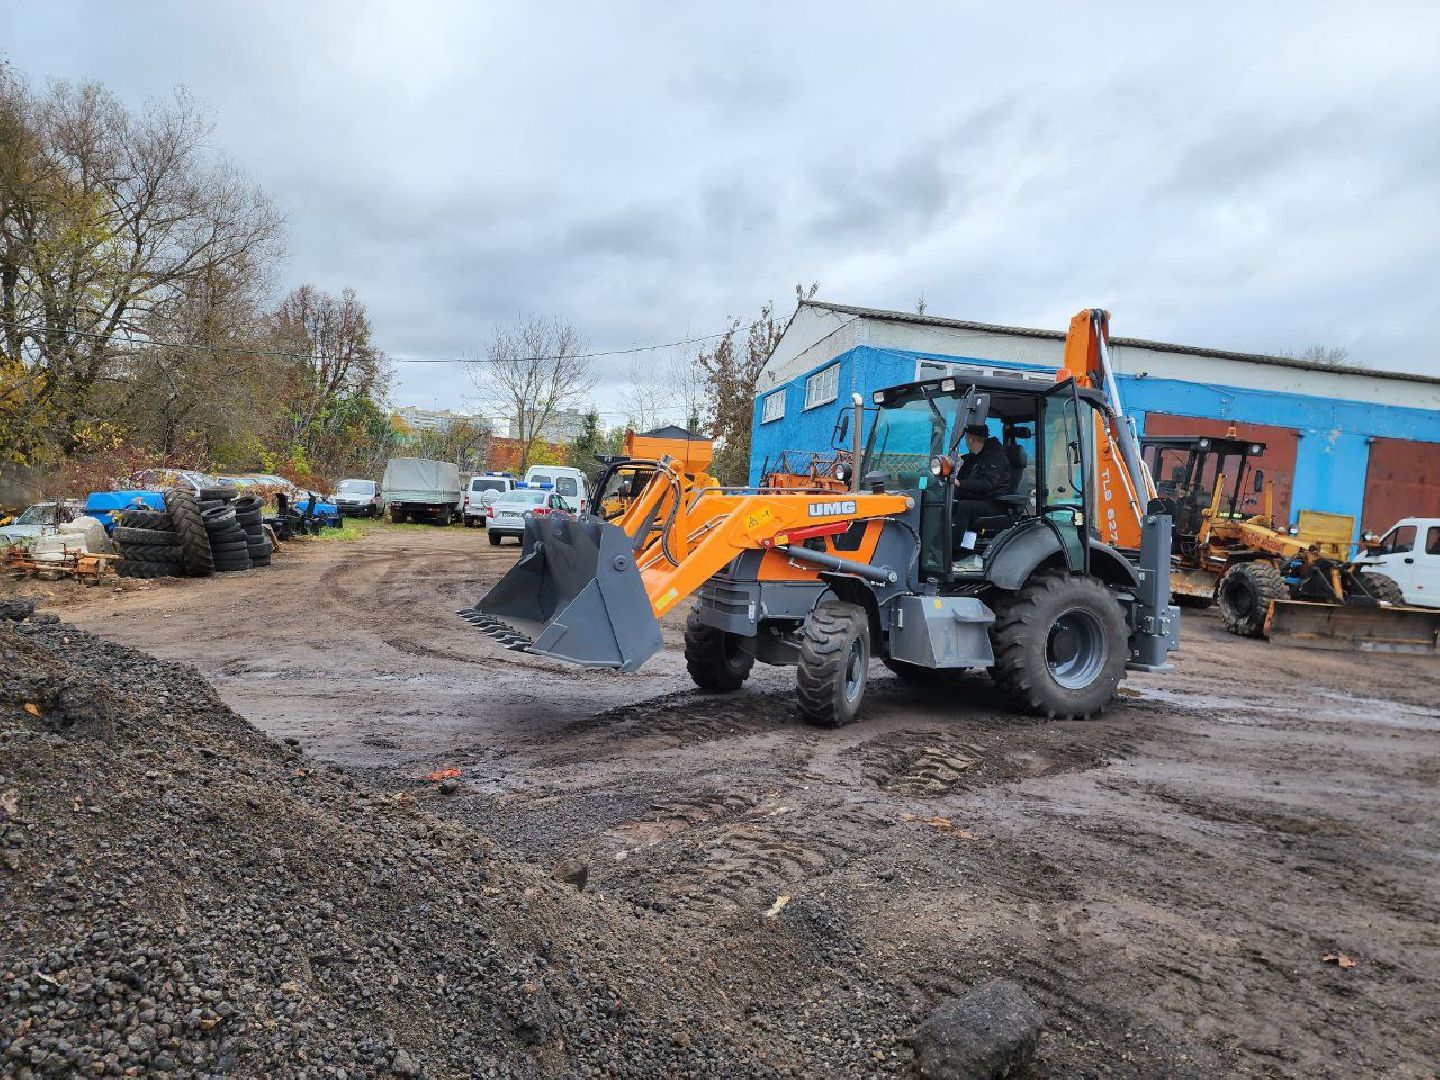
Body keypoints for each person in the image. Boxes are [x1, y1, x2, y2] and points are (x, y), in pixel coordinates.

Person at [951, 423, 1012, 571]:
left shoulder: (994, 456)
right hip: (981, 498)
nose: (966, 444)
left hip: (996, 503)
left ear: (970, 439)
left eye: (966, 440)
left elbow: (988, 484)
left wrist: (961, 483)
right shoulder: (976, 457)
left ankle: (953, 551)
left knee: (964, 506)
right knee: (950, 501)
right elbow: (963, 475)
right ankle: (936, 545)